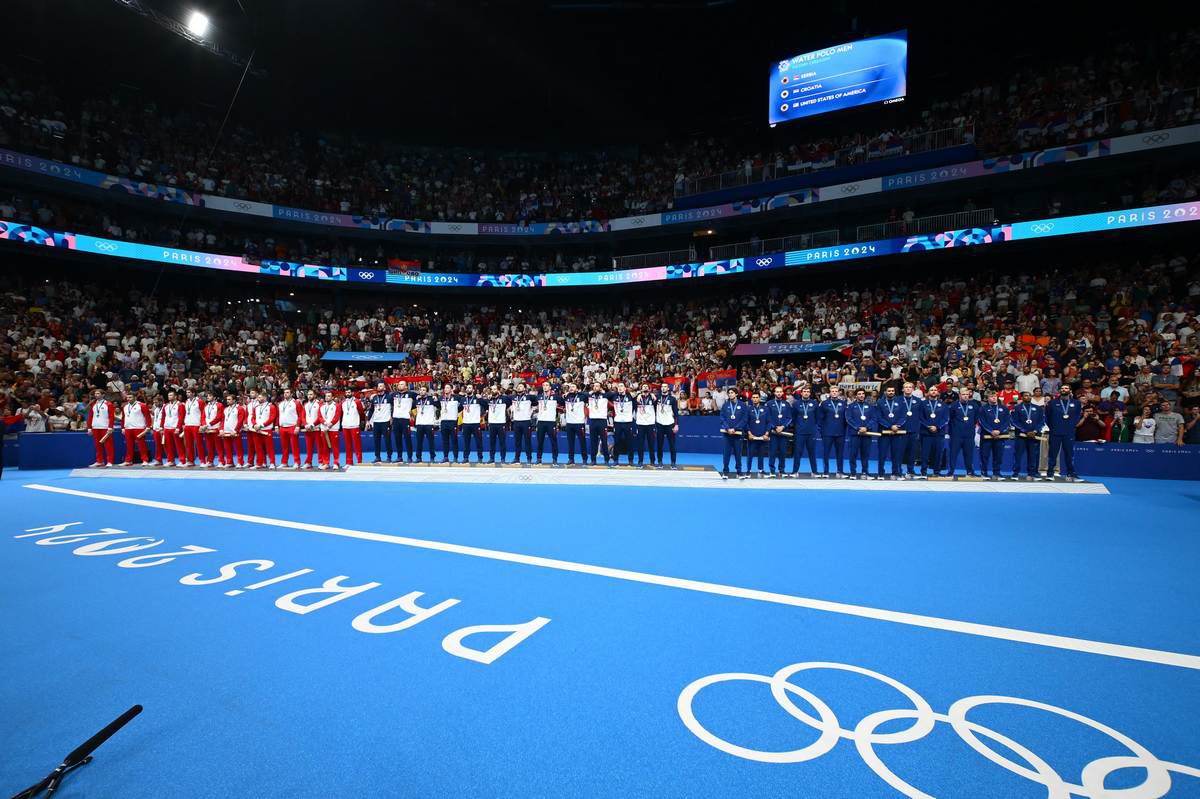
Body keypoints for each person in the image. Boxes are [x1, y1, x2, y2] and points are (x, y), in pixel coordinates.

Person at [1045, 385, 1081, 479]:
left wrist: (1071, 426)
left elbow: (1077, 417)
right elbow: (1047, 417)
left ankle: (1071, 473)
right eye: (1062, 388)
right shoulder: (1052, 403)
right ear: (1059, 391)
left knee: (1069, 454)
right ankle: (1050, 473)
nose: (1064, 390)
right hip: (1055, 432)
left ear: (1070, 390)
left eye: (1066, 388)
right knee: (1052, 454)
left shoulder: (1076, 403)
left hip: (1069, 432)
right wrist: (1053, 427)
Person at [978, 389, 1012, 479]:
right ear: (988, 398)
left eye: (995, 396)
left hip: (1000, 436)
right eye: (991, 396)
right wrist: (991, 431)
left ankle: (996, 473)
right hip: (987, 436)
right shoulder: (983, 408)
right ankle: (984, 473)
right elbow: (982, 421)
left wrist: (999, 431)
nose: (994, 398)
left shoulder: (1004, 408)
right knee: (984, 455)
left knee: (998, 456)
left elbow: (1007, 421)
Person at [1010, 391, 1044, 479]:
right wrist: (1025, 431)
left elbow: (1041, 421)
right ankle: (1015, 473)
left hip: (1034, 436)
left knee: (1034, 455)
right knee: (1018, 455)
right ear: (1022, 397)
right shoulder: (1017, 408)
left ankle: (1033, 473)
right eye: (1025, 396)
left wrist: (1035, 431)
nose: (1027, 397)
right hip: (1021, 436)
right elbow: (1014, 421)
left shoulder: (1038, 408)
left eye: (1029, 395)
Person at [817, 385, 847, 478]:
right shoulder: (824, 403)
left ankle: (840, 471)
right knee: (826, 453)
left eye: (836, 391)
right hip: (827, 432)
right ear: (829, 393)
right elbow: (819, 418)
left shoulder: (844, 403)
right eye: (832, 391)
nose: (834, 392)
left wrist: (843, 429)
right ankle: (826, 472)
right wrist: (822, 430)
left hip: (840, 432)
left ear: (839, 392)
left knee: (840, 453)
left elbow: (846, 418)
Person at [949, 387, 979, 477]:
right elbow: (950, 419)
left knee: (969, 454)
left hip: (969, 435)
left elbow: (976, 419)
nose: (965, 396)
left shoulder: (974, 405)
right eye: (963, 394)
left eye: (967, 394)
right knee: (953, 454)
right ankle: (951, 471)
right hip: (956, 435)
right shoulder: (953, 405)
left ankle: (970, 471)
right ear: (959, 395)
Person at [846, 388, 877, 479]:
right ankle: (853, 473)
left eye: (863, 394)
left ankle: (865, 473)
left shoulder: (870, 406)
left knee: (865, 454)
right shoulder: (850, 406)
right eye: (859, 394)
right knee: (853, 454)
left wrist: (866, 428)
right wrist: (858, 428)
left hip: (867, 434)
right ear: (856, 395)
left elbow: (874, 418)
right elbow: (849, 419)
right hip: (855, 434)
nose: (861, 395)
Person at [920, 387, 950, 478]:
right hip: (926, 432)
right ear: (928, 393)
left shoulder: (943, 405)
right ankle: (923, 472)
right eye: (931, 390)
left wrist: (937, 426)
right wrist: (928, 426)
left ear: (938, 392)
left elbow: (946, 418)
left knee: (938, 453)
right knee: (925, 453)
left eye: (935, 390)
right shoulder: (923, 404)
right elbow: (921, 417)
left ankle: (936, 472)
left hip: (939, 433)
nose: (933, 391)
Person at [895, 382, 923, 477]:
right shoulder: (897, 400)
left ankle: (910, 470)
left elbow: (921, 416)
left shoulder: (918, 401)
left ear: (913, 389)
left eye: (910, 387)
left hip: (914, 430)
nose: (908, 389)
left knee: (912, 452)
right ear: (903, 389)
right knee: (900, 451)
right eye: (906, 387)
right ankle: (898, 470)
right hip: (901, 430)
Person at [719, 386, 747, 479]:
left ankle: (739, 472)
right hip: (727, 434)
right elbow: (722, 418)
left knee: (738, 453)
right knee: (726, 453)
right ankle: (725, 472)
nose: (730, 394)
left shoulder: (742, 405)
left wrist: (735, 428)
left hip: (738, 434)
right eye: (729, 393)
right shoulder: (725, 405)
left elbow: (744, 419)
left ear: (736, 394)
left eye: (732, 393)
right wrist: (727, 428)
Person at [791, 385, 818, 476]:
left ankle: (814, 471)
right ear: (801, 393)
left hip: (811, 432)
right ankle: (795, 471)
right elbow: (793, 418)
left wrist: (813, 428)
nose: (806, 393)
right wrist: (798, 427)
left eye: (808, 391)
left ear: (810, 393)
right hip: (800, 432)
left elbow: (817, 417)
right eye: (804, 391)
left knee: (812, 453)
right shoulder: (796, 404)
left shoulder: (814, 403)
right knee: (797, 452)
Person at [765, 386, 792, 477]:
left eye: (780, 392)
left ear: (782, 393)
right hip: (773, 432)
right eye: (777, 392)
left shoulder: (787, 404)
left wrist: (783, 426)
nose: (779, 393)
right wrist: (775, 427)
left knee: (783, 452)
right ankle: (772, 471)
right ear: (774, 393)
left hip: (783, 432)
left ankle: (782, 470)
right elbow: (767, 418)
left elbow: (789, 418)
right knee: (772, 452)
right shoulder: (769, 404)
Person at [119, 391, 151, 466]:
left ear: (135, 397)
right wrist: (123, 427)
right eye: (127, 397)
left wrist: (148, 426)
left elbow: (147, 417)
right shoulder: (125, 406)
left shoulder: (142, 405)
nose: (128, 399)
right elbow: (123, 418)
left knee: (142, 445)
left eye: (130, 397)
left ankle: (145, 460)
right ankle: (128, 460)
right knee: (129, 445)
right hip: (128, 428)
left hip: (139, 427)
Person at [875, 386, 901, 478]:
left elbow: (903, 416)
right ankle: (881, 473)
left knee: (896, 454)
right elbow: (878, 417)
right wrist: (890, 426)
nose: (891, 392)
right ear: (885, 392)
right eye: (889, 391)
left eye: (892, 390)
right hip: (884, 432)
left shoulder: (900, 401)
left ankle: (895, 473)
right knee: (882, 455)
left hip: (897, 432)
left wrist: (897, 425)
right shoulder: (880, 402)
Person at [87, 389, 116, 467]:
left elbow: (111, 417)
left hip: (105, 427)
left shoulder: (108, 404)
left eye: (98, 393)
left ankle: (110, 461)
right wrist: (89, 428)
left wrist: (110, 427)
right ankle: (99, 461)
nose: (96, 395)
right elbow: (90, 416)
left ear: (103, 395)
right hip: (95, 427)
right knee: (97, 445)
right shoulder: (93, 404)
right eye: (95, 393)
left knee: (108, 445)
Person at [586, 382, 612, 465]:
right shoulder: (590, 395)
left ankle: (606, 460)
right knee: (593, 442)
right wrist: (590, 392)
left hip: (602, 421)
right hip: (592, 421)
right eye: (594, 386)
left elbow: (613, 394)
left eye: (597, 386)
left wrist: (604, 392)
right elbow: (581, 394)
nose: (595, 387)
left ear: (600, 387)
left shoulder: (605, 395)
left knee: (604, 441)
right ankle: (593, 460)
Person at [278, 388, 305, 468]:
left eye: (287, 392)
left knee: (294, 446)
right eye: (284, 392)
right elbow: (279, 416)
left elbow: (301, 415)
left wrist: (298, 426)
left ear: (291, 393)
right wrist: (277, 425)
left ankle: (297, 462)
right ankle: (284, 462)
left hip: (292, 426)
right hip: (282, 427)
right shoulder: (281, 403)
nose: (285, 394)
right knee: (284, 447)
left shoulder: (296, 403)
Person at [251, 390, 278, 468]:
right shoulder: (256, 407)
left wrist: (262, 425)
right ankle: (260, 463)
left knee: (269, 447)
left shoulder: (271, 406)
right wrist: (255, 424)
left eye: (259, 397)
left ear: (265, 398)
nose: (258, 398)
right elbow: (253, 418)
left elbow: (272, 418)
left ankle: (272, 463)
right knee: (258, 448)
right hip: (256, 430)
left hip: (266, 429)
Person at [509, 382, 535, 463]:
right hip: (516, 422)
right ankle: (517, 458)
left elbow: (537, 403)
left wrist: (531, 412)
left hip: (526, 422)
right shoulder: (513, 397)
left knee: (527, 441)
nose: (519, 388)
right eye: (518, 386)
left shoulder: (529, 397)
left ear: (524, 389)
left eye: (521, 386)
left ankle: (529, 458)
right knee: (517, 441)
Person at [391, 380, 417, 463]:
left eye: (402, 384)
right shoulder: (394, 394)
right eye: (399, 384)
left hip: (405, 419)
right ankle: (399, 457)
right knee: (397, 439)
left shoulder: (411, 394)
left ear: (406, 386)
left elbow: (421, 398)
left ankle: (409, 457)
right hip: (396, 419)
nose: (400, 385)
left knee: (407, 439)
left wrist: (412, 409)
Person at [655, 383, 680, 467]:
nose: (663, 388)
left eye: (665, 386)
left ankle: (673, 462)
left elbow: (676, 413)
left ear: (668, 388)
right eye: (662, 386)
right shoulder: (657, 398)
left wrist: (676, 425)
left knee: (672, 444)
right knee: (659, 444)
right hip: (659, 424)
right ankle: (659, 461)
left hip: (670, 424)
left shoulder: (673, 399)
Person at [562, 384, 588, 465]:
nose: (571, 388)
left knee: (582, 442)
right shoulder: (566, 396)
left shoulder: (582, 396)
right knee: (570, 442)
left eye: (573, 387)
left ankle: (584, 459)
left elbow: (589, 396)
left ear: (577, 388)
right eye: (570, 387)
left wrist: (580, 392)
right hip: (569, 423)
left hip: (579, 423)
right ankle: (571, 459)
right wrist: (565, 395)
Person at [611, 382, 636, 465]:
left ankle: (630, 460)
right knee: (617, 442)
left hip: (628, 422)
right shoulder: (614, 396)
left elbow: (640, 393)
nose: (620, 387)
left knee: (630, 442)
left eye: (621, 386)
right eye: (618, 386)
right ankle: (615, 460)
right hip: (617, 422)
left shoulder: (631, 396)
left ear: (625, 388)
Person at [535, 382, 560, 464]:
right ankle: (539, 459)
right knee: (540, 441)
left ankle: (555, 459)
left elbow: (563, 402)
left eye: (546, 385)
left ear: (550, 387)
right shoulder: (539, 397)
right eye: (543, 385)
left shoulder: (556, 397)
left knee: (553, 441)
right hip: (541, 422)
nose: (545, 387)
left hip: (551, 422)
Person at [745, 391, 770, 476]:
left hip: (762, 435)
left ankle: (761, 469)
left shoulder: (765, 409)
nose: (755, 399)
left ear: (759, 398)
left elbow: (768, 422)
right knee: (750, 454)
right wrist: (749, 433)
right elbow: (746, 422)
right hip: (752, 436)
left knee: (761, 454)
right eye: (753, 397)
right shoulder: (748, 409)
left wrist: (766, 433)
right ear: (751, 399)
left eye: (757, 397)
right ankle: (748, 470)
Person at [220, 391, 247, 468]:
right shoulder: (225, 409)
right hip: (226, 431)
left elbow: (240, 420)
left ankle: (240, 462)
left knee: (238, 448)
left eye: (229, 399)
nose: (227, 401)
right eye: (227, 399)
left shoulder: (240, 408)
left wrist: (236, 430)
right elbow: (222, 420)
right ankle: (229, 462)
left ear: (234, 400)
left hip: (235, 431)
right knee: (227, 448)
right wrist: (221, 429)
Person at [413, 385, 440, 463]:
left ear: (427, 392)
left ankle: (432, 457)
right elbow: (411, 407)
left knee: (431, 442)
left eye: (424, 390)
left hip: (429, 424)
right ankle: (418, 457)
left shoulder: (431, 399)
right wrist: (415, 399)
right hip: (419, 424)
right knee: (419, 442)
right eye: (421, 390)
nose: (422, 391)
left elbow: (439, 406)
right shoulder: (417, 400)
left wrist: (436, 400)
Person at [368, 382, 393, 464]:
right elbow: (371, 410)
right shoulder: (374, 398)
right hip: (376, 422)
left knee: (387, 440)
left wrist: (392, 417)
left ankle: (389, 457)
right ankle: (377, 457)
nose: (379, 387)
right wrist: (368, 421)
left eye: (381, 386)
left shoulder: (389, 397)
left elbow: (394, 407)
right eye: (378, 386)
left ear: (384, 388)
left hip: (386, 422)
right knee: (376, 441)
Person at [317, 390, 342, 469]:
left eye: (329, 396)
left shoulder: (337, 405)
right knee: (325, 447)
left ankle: (336, 463)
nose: (327, 397)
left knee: (335, 447)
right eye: (326, 396)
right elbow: (320, 417)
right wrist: (324, 423)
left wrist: (329, 425)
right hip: (324, 429)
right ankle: (326, 463)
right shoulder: (322, 406)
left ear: (332, 397)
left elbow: (337, 417)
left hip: (333, 429)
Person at [635, 383, 658, 466]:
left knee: (651, 444)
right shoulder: (637, 398)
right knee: (640, 444)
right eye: (643, 387)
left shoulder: (653, 397)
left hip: (650, 423)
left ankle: (652, 461)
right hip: (640, 424)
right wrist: (638, 395)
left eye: (646, 386)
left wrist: (653, 395)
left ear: (649, 389)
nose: (645, 387)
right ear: (641, 389)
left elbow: (660, 402)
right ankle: (640, 461)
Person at [460, 384, 484, 462]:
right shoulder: (463, 399)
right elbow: (459, 408)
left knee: (478, 441)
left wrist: (481, 398)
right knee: (466, 442)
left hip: (475, 423)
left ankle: (480, 457)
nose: (468, 389)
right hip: (466, 423)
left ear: (473, 390)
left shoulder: (477, 398)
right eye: (467, 388)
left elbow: (486, 405)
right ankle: (465, 457)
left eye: (470, 387)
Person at [438, 384, 462, 463]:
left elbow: (462, 406)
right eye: (445, 388)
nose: (446, 389)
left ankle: (455, 457)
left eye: (448, 387)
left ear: (451, 389)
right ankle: (445, 457)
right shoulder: (441, 398)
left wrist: (455, 412)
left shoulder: (457, 397)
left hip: (452, 421)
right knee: (445, 440)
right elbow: (438, 406)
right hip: (444, 421)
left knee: (454, 440)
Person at [182, 389, 206, 466]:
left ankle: (202, 461)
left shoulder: (200, 401)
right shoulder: (186, 402)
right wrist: (184, 423)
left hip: (196, 425)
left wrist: (202, 424)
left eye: (189, 392)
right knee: (189, 444)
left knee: (199, 444)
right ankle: (190, 461)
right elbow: (186, 413)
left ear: (193, 393)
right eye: (186, 392)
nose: (187, 393)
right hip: (187, 425)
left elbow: (203, 413)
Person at [485, 386, 510, 463]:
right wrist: (487, 398)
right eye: (492, 389)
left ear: (498, 390)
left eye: (495, 389)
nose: (493, 390)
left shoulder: (503, 399)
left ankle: (503, 458)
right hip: (492, 423)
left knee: (502, 442)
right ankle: (492, 458)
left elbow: (510, 400)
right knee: (492, 442)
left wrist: (501, 395)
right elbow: (483, 404)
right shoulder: (489, 400)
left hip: (501, 423)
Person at [340, 390, 364, 466]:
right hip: (345, 426)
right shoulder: (342, 402)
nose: (347, 394)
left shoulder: (357, 401)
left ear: (352, 393)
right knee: (348, 445)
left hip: (354, 425)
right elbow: (341, 413)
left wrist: (360, 422)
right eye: (346, 392)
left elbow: (361, 413)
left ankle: (359, 461)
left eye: (349, 392)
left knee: (357, 445)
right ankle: (349, 462)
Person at [161, 390, 184, 466]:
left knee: (179, 445)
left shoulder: (180, 405)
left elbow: (181, 417)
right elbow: (163, 417)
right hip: (167, 428)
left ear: (175, 396)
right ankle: (171, 460)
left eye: (171, 395)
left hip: (175, 427)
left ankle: (182, 460)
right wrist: (162, 427)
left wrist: (178, 428)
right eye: (168, 395)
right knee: (168, 445)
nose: (169, 397)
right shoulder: (166, 405)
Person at [201, 391, 224, 467]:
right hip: (207, 429)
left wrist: (207, 425)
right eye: (207, 396)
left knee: (219, 446)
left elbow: (219, 417)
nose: (208, 397)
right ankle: (210, 461)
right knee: (209, 447)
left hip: (216, 428)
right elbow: (203, 417)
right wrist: (204, 425)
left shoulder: (219, 405)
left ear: (214, 397)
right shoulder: (206, 406)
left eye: (210, 396)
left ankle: (221, 461)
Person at [302, 389, 323, 468]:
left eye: (311, 394)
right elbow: (303, 416)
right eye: (308, 394)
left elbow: (320, 417)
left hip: (316, 428)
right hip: (308, 429)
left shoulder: (319, 404)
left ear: (314, 395)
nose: (309, 396)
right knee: (309, 447)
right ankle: (308, 462)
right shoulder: (306, 405)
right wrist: (306, 424)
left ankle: (321, 462)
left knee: (319, 447)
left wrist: (313, 424)